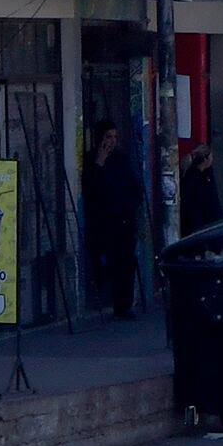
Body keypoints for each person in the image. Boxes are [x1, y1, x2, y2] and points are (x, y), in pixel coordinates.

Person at [81, 121, 145, 321]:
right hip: (101, 222)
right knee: (101, 262)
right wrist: (99, 163)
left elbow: (135, 188)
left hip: (123, 221)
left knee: (125, 263)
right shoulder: (91, 160)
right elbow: (90, 189)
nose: (112, 141)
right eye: (108, 137)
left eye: (114, 137)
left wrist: (128, 206)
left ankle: (123, 305)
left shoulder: (121, 160)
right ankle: (100, 297)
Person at [177, 142, 223, 238]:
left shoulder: (205, 174)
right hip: (197, 224)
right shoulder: (194, 179)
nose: (212, 160)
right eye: (211, 157)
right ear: (205, 159)